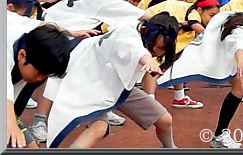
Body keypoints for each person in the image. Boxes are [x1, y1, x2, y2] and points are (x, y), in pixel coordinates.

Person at [157, 4, 243, 148]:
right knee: (241, 87)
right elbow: (239, 45)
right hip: (229, 57)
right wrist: (241, 62)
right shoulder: (241, 31)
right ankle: (219, 135)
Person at [45, 12, 177, 149]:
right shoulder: (127, 31)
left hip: (119, 86)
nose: (157, 51)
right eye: (158, 46)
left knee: (165, 120)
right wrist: (148, 59)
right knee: (99, 127)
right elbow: (133, 48)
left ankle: (170, 148)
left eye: (163, 49)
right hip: (91, 83)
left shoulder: (141, 26)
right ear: (146, 31)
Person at [7, 13, 71, 149]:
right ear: (22, 55)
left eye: (46, 75)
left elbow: (43, 25)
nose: (40, 79)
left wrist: (72, 33)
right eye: (39, 73)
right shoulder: (7, 44)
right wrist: (10, 123)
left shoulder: (30, 37)